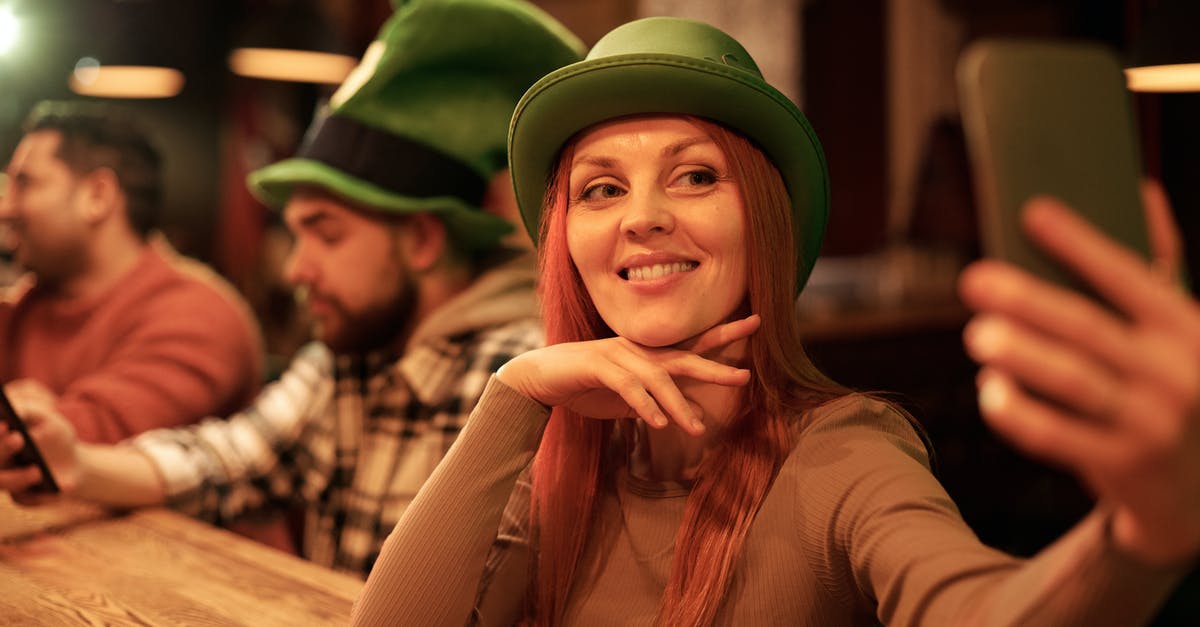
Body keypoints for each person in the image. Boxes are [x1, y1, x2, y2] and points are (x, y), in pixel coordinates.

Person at [348, 17, 1200, 626]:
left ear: (764, 220)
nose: (642, 217)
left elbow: (979, 605)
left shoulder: (846, 454)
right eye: (602, 187)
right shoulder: (564, 455)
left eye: (694, 177)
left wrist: (1141, 535)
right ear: (566, 239)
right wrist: (514, 392)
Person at [0, 0, 582, 576]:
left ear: (424, 241)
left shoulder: (518, 379)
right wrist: (74, 462)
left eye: (326, 235)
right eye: (296, 236)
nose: (294, 270)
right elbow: (225, 461)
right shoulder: (345, 359)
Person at [0, 101, 264, 444]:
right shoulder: (26, 307)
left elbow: (70, 445)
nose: (5, 207)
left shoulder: (199, 317)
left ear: (98, 195)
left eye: (24, 183)